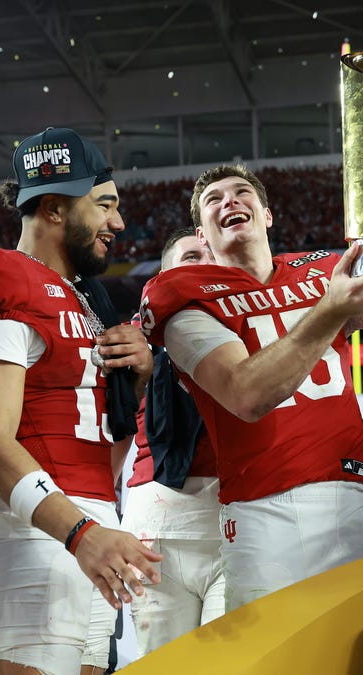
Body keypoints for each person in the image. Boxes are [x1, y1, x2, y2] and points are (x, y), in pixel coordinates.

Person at [139, 91, 363, 611]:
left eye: (241, 193)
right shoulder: (182, 294)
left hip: (347, 493)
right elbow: (246, 393)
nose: (230, 201)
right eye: (214, 200)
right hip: (259, 509)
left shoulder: (320, 271)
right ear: (202, 236)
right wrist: (331, 310)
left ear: (267, 215)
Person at [0, 127, 160, 675]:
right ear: (56, 209)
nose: (118, 223)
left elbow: (106, 437)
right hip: (42, 527)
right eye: (104, 205)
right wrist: (79, 531)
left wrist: (136, 380)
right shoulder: (1, 278)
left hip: (90, 516)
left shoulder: (87, 297)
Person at [120, 228, 224, 657]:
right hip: (155, 532)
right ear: (163, 274)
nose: (202, 261)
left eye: (209, 255)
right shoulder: (131, 337)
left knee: (234, 665)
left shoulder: (255, 327)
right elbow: (113, 430)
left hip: (237, 525)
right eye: (190, 255)